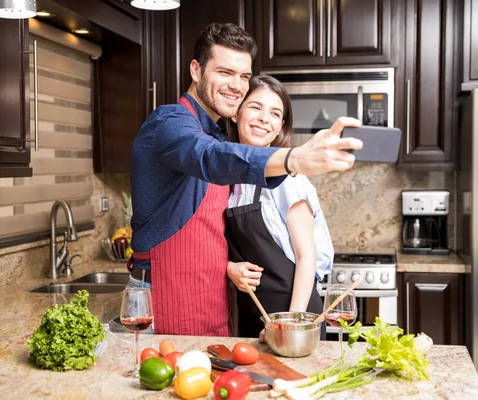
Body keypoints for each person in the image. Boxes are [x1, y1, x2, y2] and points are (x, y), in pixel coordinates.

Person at [127, 22, 362, 337]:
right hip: (167, 295)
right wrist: (295, 158)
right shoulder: (169, 124)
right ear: (195, 70)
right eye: (225, 72)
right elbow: (208, 158)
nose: (236, 85)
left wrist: (226, 267)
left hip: (210, 301)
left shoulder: (218, 139)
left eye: (243, 76)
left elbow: (211, 236)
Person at [224, 75, 331, 340]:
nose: (264, 118)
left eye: (274, 113)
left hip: (295, 316)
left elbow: (307, 257)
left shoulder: (288, 178)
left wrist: (291, 324)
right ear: (236, 113)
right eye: (255, 107)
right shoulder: (227, 179)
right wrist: (229, 267)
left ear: (280, 126)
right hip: (253, 316)